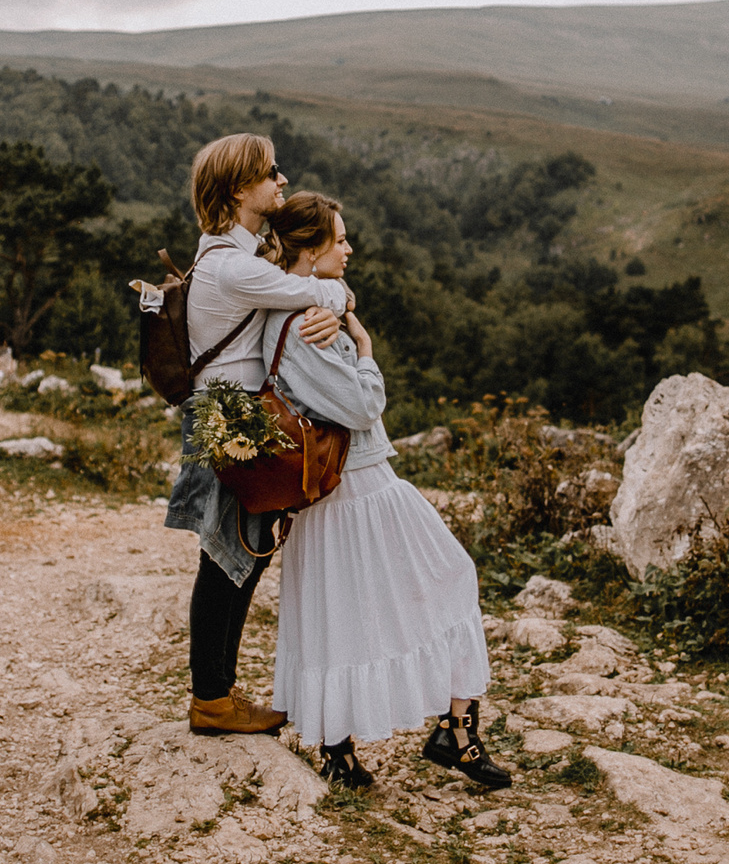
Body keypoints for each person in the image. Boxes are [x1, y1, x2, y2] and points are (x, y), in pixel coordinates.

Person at [260, 192, 510, 793]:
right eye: (339, 240)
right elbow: (361, 404)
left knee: (345, 608)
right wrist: (366, 351)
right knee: (443, 577)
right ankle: (406, 740)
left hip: (349, 487)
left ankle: (441, 733)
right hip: (357, 485)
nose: (349, 248)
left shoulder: (311, 304)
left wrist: (341, 302)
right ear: (311, 249)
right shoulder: (300, 324)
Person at [166, 133, 348, 736]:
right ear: (242, 189)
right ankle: (212, 699)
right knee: (226, 557)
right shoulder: (232, 268)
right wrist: (339, 298)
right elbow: (319, 288)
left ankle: (219, 691)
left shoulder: (227, 258)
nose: (283, 181)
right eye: (272, 173)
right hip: (230, 420)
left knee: (240, 553)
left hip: (231, 417)